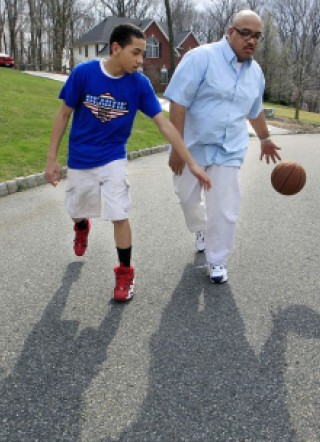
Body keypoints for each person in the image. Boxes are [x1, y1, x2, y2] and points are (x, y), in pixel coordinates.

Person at [45, 23, 211, 302]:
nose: (140, 60)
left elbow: (165, 125)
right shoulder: (84, 74)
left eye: (143, 54)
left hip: (113, 158)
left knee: (119, 214)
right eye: (135, 53)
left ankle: (125, 275)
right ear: (115, 48)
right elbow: (63, 115)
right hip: (80, 159)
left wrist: (191, 162)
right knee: (76, 209)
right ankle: (81, 226)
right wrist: (52, 159)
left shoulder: (139, 84)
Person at [164, 10, 281, 284]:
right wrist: (177, 149)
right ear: (230, 32)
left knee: (226, 206)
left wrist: (264, 138)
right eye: (245, 33)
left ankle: (218, 260)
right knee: (187, 198)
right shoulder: (201, 58)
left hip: (230, 150)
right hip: (193, 148)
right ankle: (201, 229)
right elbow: (178, 102)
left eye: (257, 36)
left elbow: (254, 109)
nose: (251, 41)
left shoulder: (256, 73)